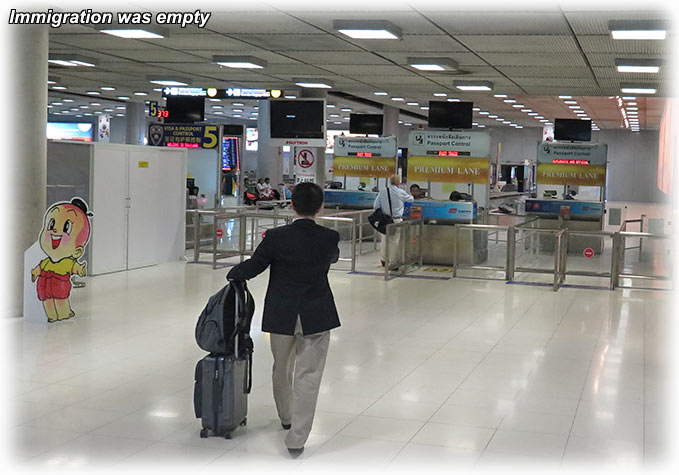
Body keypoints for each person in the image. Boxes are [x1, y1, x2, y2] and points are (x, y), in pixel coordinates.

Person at [226, 182, 340, 456]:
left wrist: (233, 273)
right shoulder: (329, 237)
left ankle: (286, 416)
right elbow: (331, 260)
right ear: (320, 207)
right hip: (316, 313)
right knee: (308, 376)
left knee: (281, 367)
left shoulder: (275, 237)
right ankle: (296, 438)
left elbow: (254, 266)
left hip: (281, 314)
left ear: (291, 205)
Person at [373, 174, 414, 266]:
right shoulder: (400, 192)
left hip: (384, 220)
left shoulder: (383, 191)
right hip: (396, 220)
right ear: (398, 182)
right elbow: (411, 199)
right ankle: (393, 262)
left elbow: (375, 206)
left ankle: (384, 260)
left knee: (384, 240)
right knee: (395, 242)